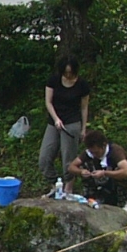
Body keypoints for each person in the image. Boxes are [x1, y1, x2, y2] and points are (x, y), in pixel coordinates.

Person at [39, 56, 90, 185]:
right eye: (66, 72)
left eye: (70, 72)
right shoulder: (54, 80)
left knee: (68, 158)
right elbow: (48, 102)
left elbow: (84, 108)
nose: (68, 75)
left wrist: (83, 129)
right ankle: (55, 183)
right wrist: (56, 119)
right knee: (45, 157)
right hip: (54, 121)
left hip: (72, 122)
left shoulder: (82, 85)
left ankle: (68, 186)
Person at [67, 129, 127, 209]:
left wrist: (105, 173)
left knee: (122, 175)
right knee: (84, 166)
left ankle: (123, 203)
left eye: (97, 152)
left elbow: (126, 172)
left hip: (114, 182)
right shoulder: (88, 153)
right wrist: (81, 172)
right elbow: (71, 167)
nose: (95, 155)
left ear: (103, 145)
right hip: (98, 183)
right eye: (92, 153)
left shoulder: (115, 151)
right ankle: (92, 196)